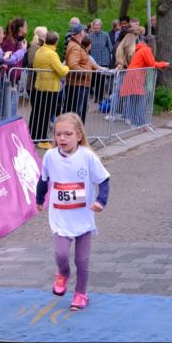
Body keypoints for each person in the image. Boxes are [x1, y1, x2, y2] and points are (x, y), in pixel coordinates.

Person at [35, 111, 110, 311]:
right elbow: (43, 180)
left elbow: (103, 180)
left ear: (78, 135)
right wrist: (39, 199)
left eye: (68, 134)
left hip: (83, 217)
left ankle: (80, 293)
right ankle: (63, 273)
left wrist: (101, 201)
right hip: (60, 217)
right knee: (60, 255)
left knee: (82, 260)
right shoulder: (50, 156)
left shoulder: (87, 156)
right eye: (58, 134)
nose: (62, 138)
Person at [31, 32, 69, 146]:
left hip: (39, 86)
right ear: (56, 41)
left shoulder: (39, 50)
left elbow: (34, 65)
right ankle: (42, 140)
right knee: (46, 114)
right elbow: (61, 71)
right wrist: (67, 67)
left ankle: (33, 136)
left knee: (37, 112)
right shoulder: (52, 54)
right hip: (50, 88)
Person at [119, 36, 169, 125]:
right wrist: (163, 64)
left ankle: (133, 120)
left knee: (134, 100)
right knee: (140, 100)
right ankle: (140, 122)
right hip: (136, 77)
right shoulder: (146, 50)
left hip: (131, 75)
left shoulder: (139, 49)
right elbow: (151, 63)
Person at [88, 19, 114, 104]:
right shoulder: (90, 36)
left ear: (101, 26)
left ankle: (100, 98)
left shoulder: (105, 35)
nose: (97, 27)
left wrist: (110, 60)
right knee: (95, 79)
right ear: (93, 26)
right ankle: (96, 97)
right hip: (94, 61)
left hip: (104, 60)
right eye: (95, 25)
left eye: (98, 25)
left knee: (102, 80)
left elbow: (110, 47)